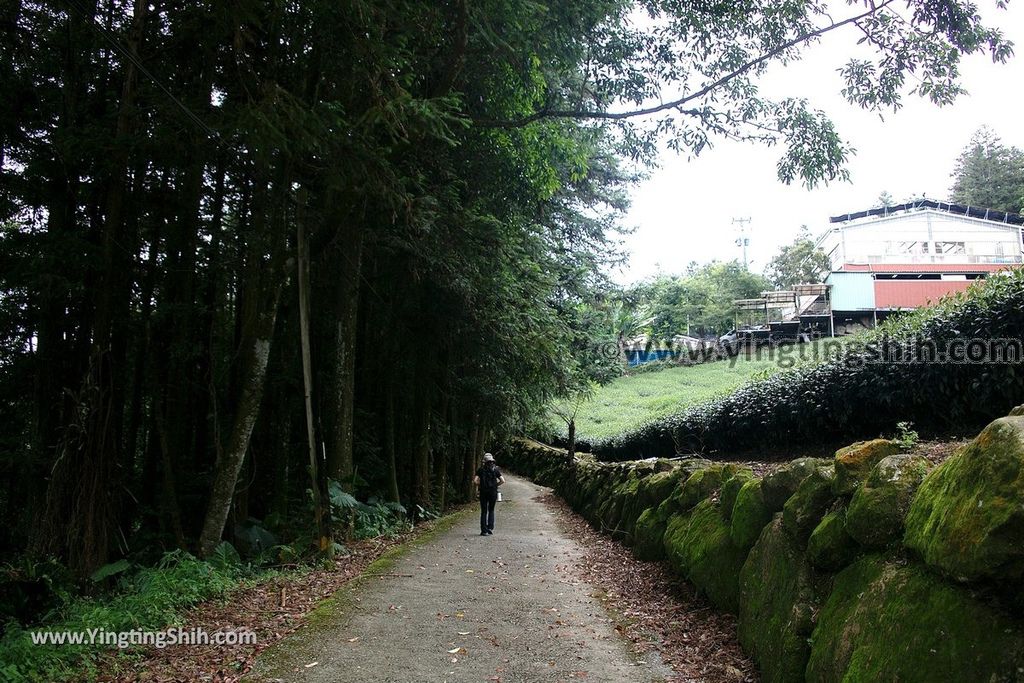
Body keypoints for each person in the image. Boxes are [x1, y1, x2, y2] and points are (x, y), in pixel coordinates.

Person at [473, 453, 505, 536]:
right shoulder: (495, 470)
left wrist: (480, 485)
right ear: (492, 461)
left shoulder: (480, 470)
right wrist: (495, 485)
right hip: (493, 492)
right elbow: (502, 480)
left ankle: (484, 531)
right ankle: (490, 528)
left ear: (484, 462)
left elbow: (475, 481)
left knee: (484, 511)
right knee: (491, 510)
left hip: (483, 492)